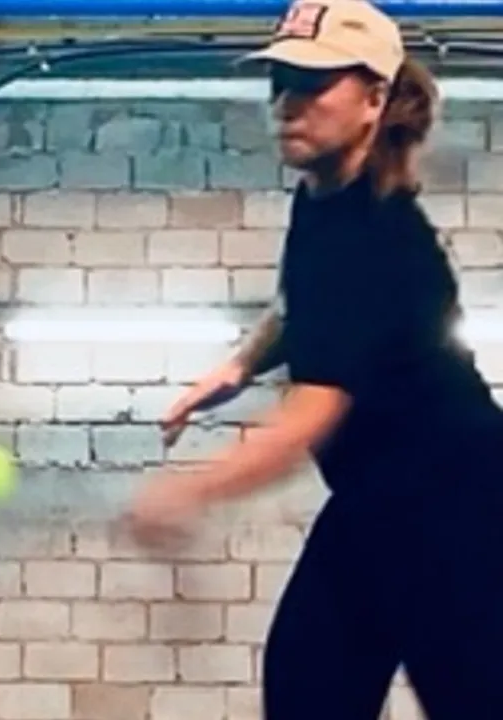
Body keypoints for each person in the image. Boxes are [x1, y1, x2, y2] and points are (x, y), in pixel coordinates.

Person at [124, 1, 503, 717]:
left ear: (374, 100)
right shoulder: (323, 199)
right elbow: (299, 304)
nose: (287, 104)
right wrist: (239, 367)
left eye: (314, 84)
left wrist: (191, 488)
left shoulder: (380, 237)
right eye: (280, 83)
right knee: (306, 690)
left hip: (466, 515)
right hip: (373, 505)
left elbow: (309, 416)